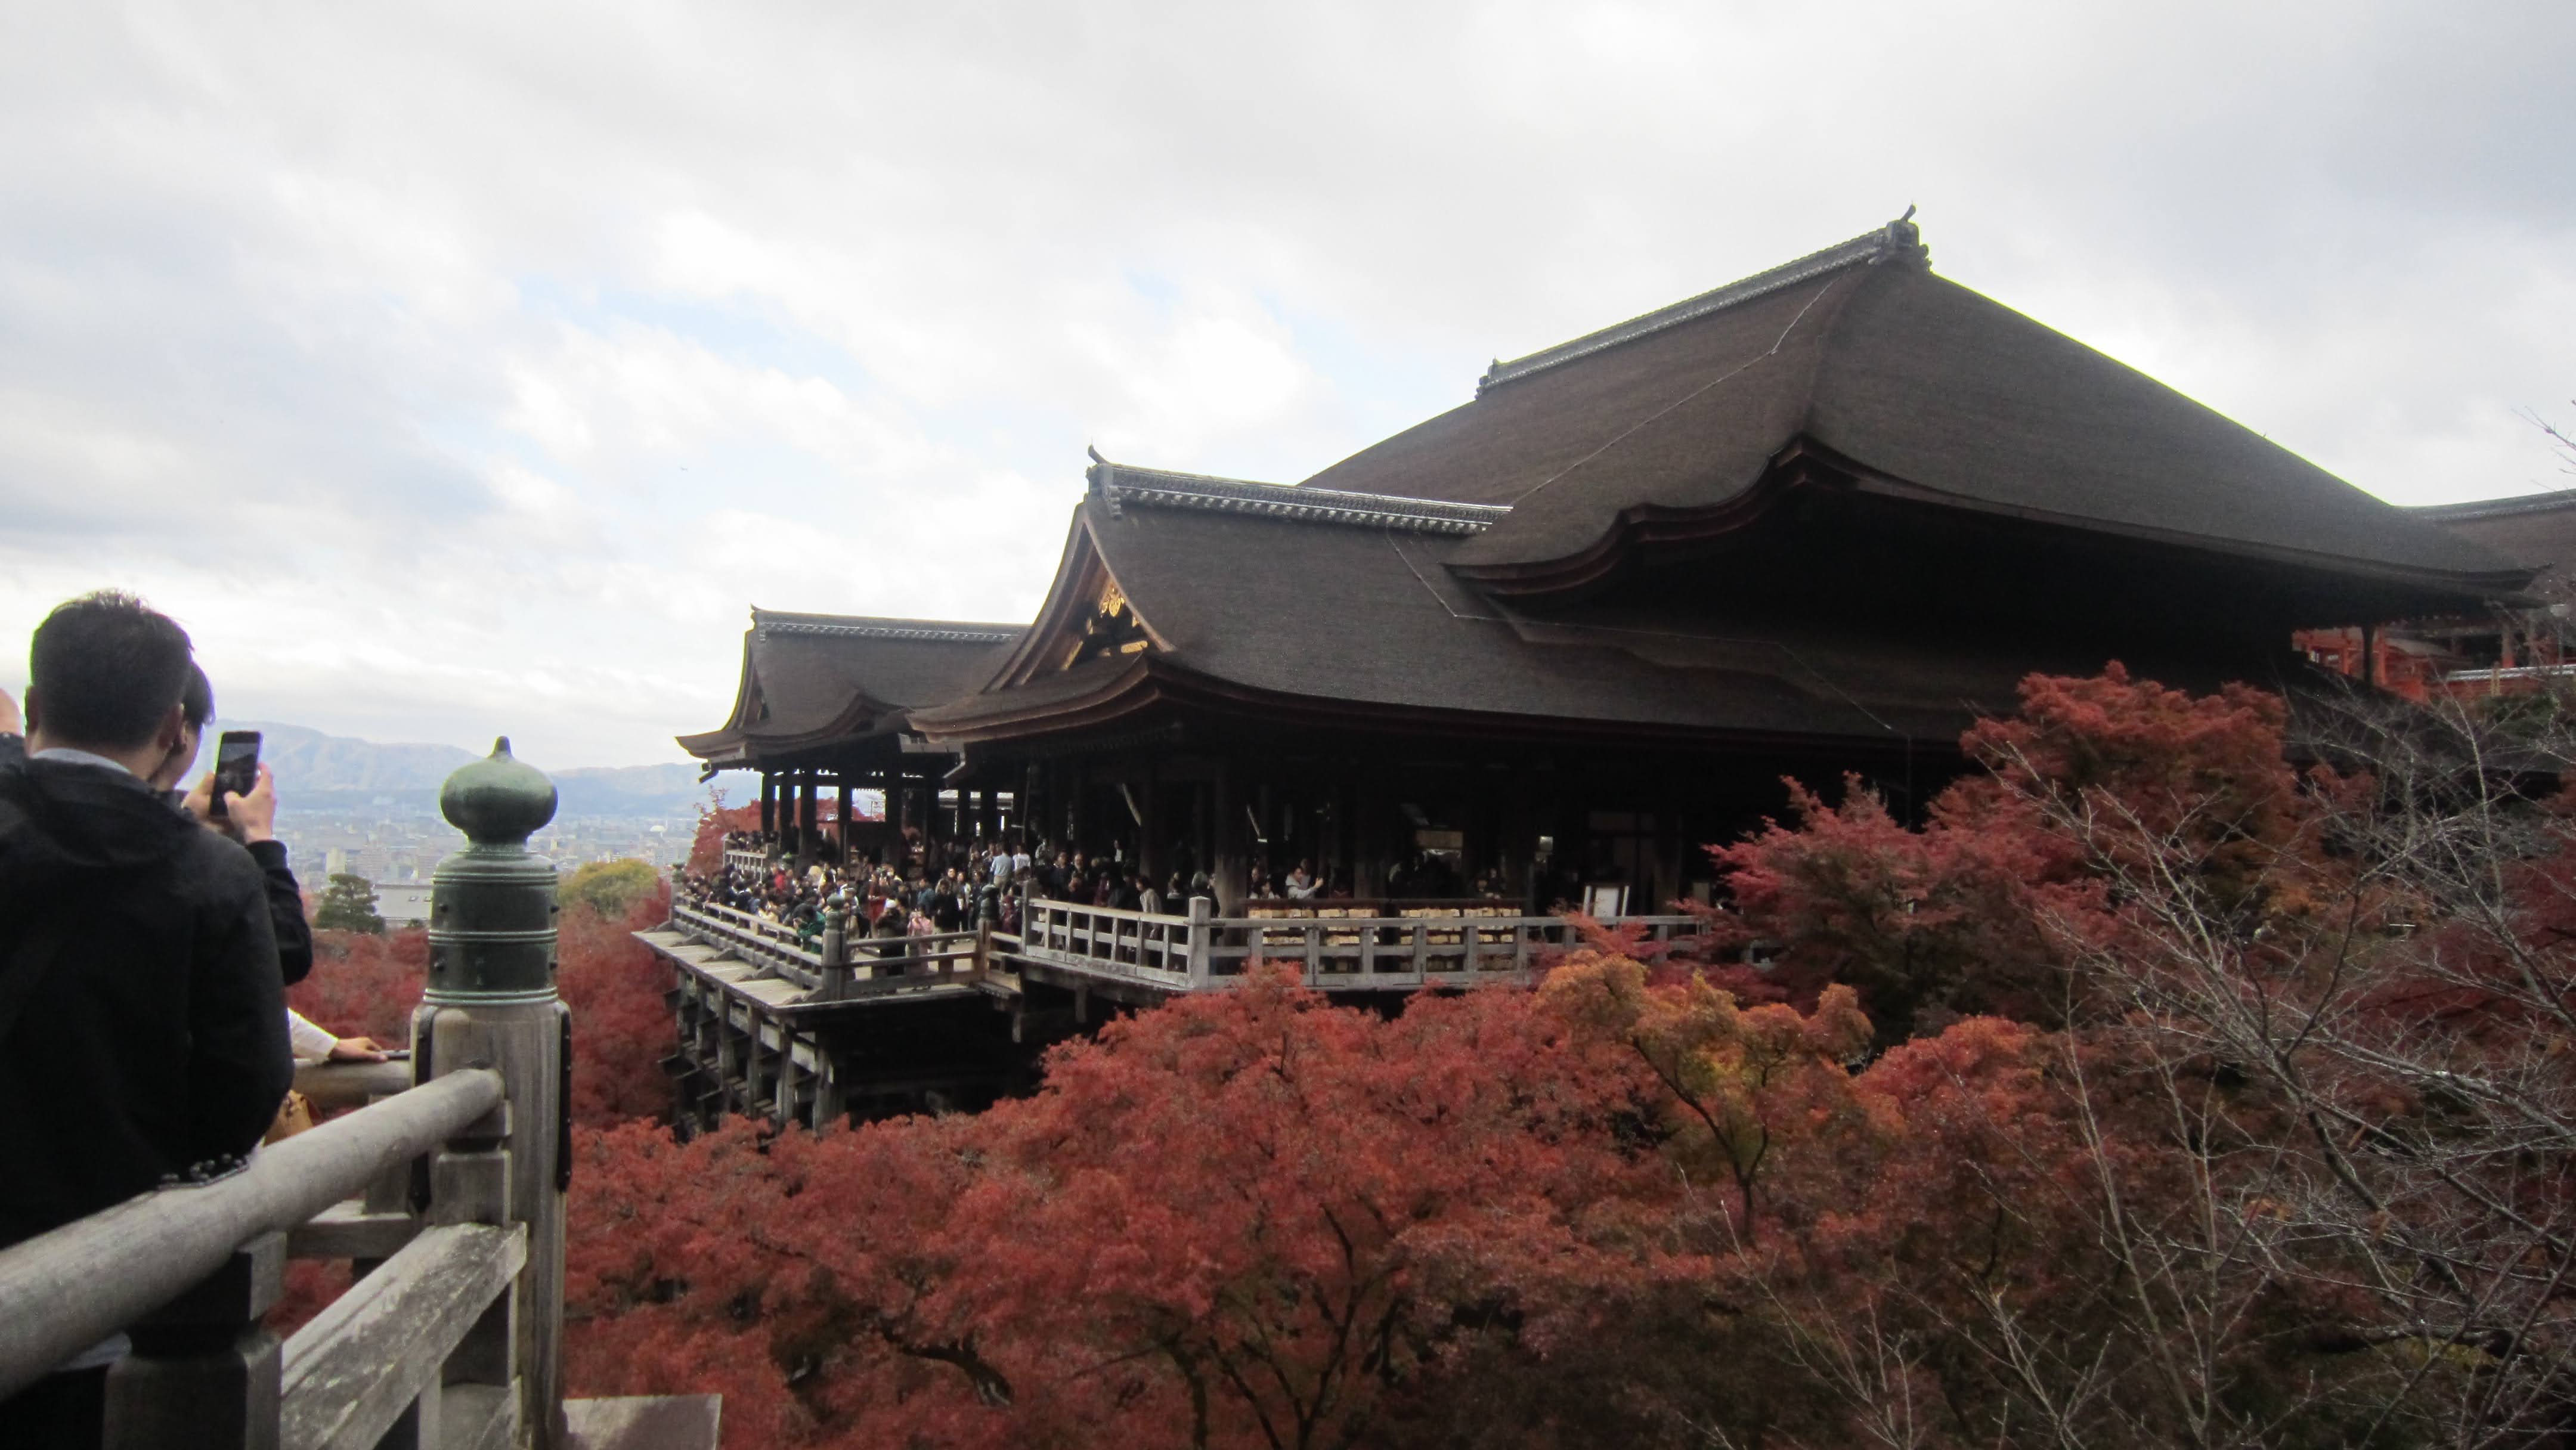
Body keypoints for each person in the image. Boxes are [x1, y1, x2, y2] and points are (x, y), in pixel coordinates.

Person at [0, 593, 291, 1446]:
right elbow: (246, 1088)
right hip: (111, 1292)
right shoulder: (210, 875)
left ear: (37, 706)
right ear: (173, 728)